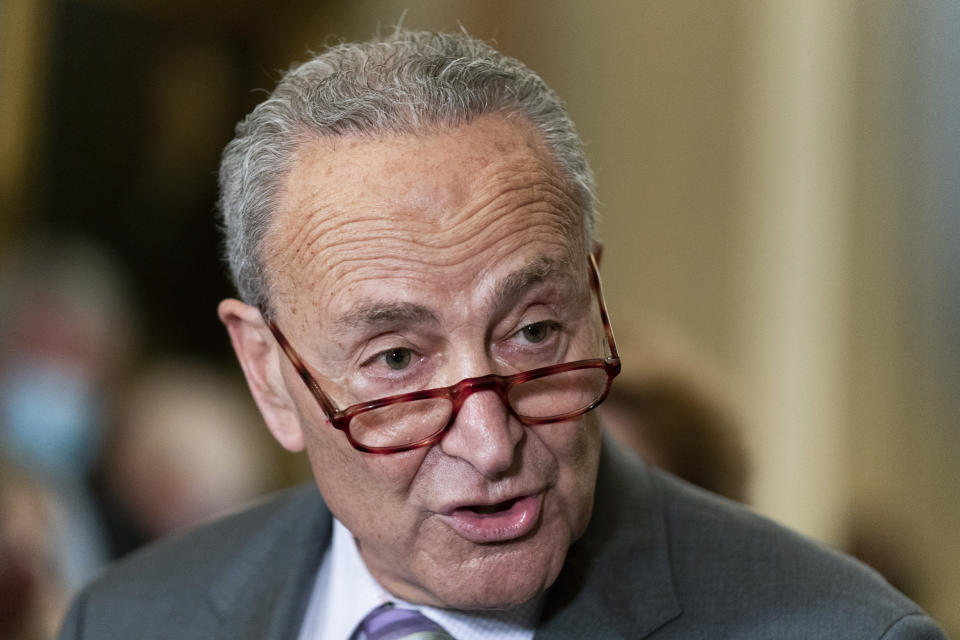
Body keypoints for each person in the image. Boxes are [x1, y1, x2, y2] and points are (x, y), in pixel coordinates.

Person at [59, 29, 945, 639]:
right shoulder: (133, 617)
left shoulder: (841, 631)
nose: (489, 442)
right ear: (267, 373)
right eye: (398, 359)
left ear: (593, 300)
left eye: (532, 334)